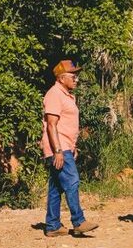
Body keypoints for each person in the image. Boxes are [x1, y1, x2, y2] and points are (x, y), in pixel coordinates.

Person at [41, 59, 97, 238]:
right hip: (59, 147)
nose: (76, 79)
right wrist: (58, 150)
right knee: (72, 180)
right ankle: (78, 221)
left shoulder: (65, 95)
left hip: (65, 146)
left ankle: (52, 225)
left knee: (56, 186)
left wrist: (72, 146)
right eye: (73, 76)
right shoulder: (54, 94)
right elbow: (51, 124)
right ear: (61, 77)